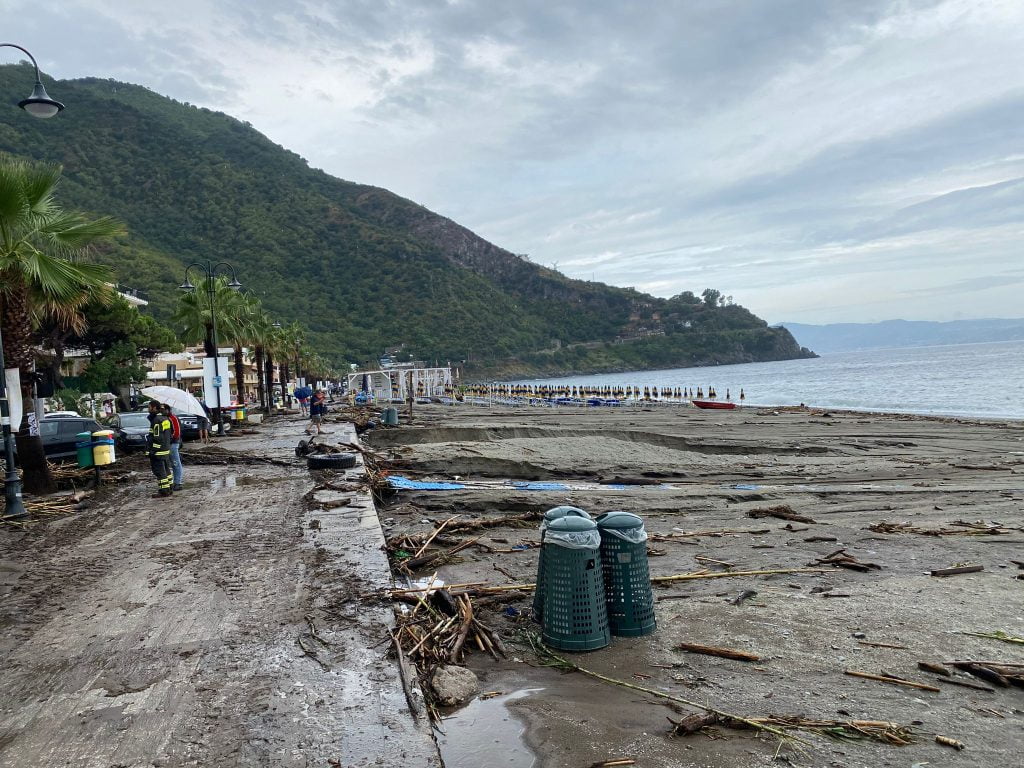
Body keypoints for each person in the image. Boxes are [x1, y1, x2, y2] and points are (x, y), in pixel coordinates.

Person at [147, 401, 173, 498]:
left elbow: (156, 437)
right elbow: (170, 434)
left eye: (149, 407)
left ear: (154, 408)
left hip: (159, 451)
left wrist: (153, 450)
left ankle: (164, 491)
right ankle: (170, 488)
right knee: (166, 470)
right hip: (166, 449)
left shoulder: (157, 420)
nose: (148, 409)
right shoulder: (165, 418)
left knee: (159, 471)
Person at [163, 403, 184, 491]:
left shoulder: (173, 418)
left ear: (168, 410)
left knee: (175, 463)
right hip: (168, 444)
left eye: (163, 409)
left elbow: (177, 432)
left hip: (173, 444)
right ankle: (174, 482)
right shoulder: (164, 419)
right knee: (172, 463)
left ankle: (177, 482)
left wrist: (170, 439)